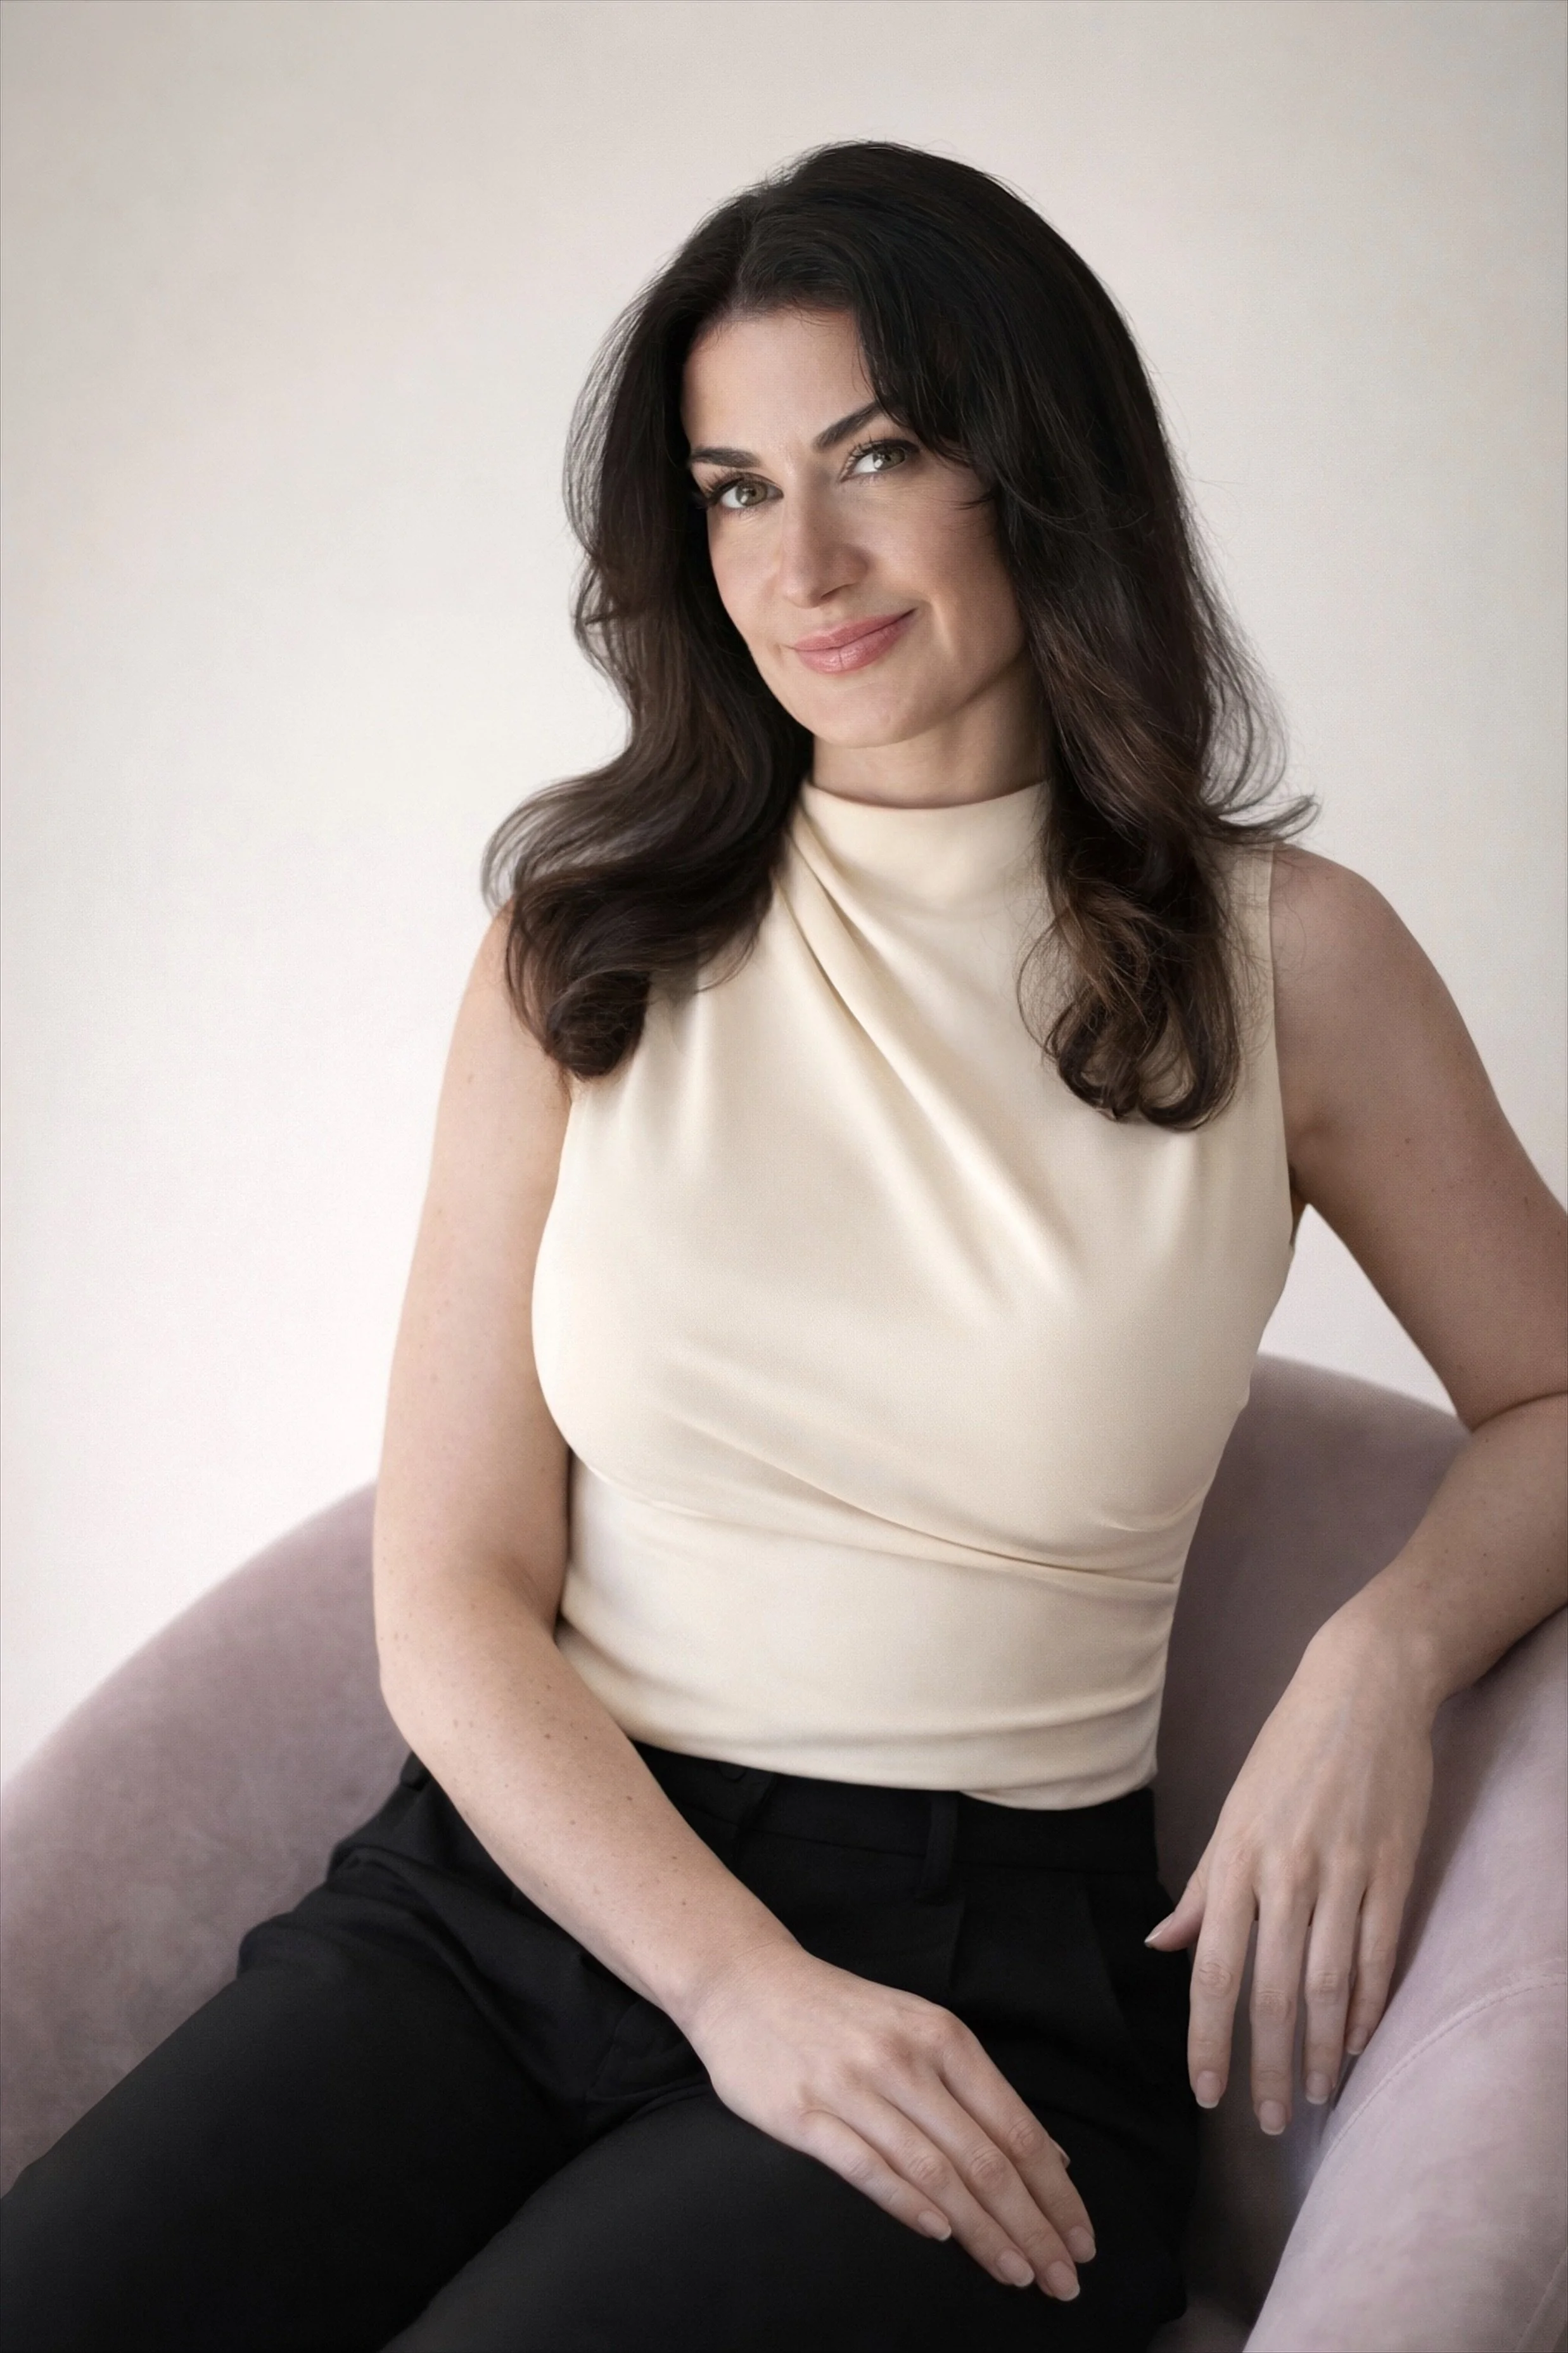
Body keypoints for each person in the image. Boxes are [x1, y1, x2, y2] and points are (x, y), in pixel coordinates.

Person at [2, 139, 1563, 2353]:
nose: (800, 559)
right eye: (735, 488)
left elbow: (1558, 1390)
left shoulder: (1283, 962)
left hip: (980, 1976)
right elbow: (447, 1596)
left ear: (1037, 473)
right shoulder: (586, 944)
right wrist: (733, 1986)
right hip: (517, 1895)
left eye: (877, 455)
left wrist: (1378, 1664)